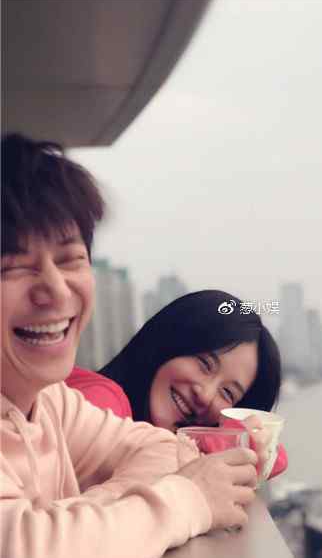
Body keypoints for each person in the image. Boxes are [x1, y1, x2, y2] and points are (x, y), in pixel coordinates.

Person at [1, 133, 258, 558]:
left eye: (69, 260)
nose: (56, 290)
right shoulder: (98, 394)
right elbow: (24, 546)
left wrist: (81, 522)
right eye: (11, 265)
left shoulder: (49, 401)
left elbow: (167, 449)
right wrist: (182, 500)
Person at [67, 289, 288, 479]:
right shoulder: (100, 402)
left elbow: (277, 456)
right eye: (204, 363)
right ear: (168, 341)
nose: (205, 395)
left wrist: (238, 441)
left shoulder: (159, 439)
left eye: (227, 393)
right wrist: (228, 444)